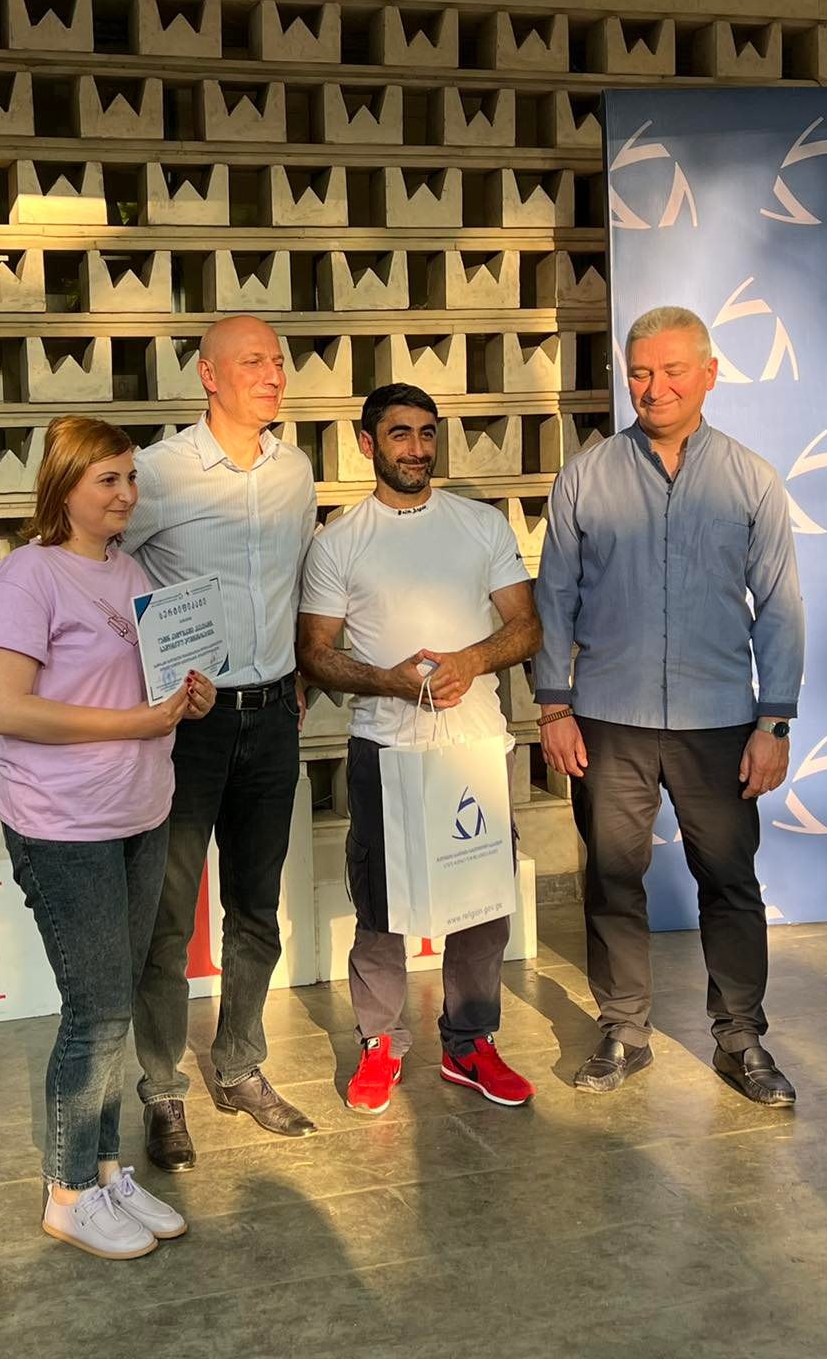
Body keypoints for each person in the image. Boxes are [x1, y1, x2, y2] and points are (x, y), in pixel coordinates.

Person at [534, 306, 804, 1108]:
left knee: (729, 881)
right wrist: (553, 707)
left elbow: (781, 606)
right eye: (641, 372)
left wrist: (774, 721)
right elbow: (554, 598)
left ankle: (741, 1036)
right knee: (613, 879)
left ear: (709, 374)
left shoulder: (751, 479)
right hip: (607, 718)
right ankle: (623, 1028)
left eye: (673, 370)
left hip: (719, 722)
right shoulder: (585, 477)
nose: (655, 388)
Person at [0, 415, 216, 1260]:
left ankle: (108, 1170)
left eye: (130, 478)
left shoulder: (132, 572)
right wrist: (133, 722)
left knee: (117, 1003)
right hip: (62, 823)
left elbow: (148, 686)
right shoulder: (27, 576)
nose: (126, 494)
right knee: (99, 1010)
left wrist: (187, 698)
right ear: (64, 486)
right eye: (107, 480)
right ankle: (69, 1190)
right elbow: (7, 708)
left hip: (139, 814)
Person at [298, 385, 541, 1114]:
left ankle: (470, 1044)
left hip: (474, 745)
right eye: (399, 434)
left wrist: (472, 659)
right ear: (367, 444)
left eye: (427, 433)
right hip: (386, 746)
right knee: (381, 904)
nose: (416, 448)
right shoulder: (338, 541)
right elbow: (315, 652)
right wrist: (388, 682)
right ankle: (380, 1042)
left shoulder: (480, 525)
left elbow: (526, 626)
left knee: (483, 901)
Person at [121, 314, 318, 1172]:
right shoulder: (158, 472)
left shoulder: (295, 471)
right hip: (187, 726)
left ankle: (239, 1066)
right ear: (208, 375)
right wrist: (139, 680)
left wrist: (299, 671)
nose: (273, 375)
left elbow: (298, 580)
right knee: (166, 917)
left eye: (278, 361)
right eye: (253, 362)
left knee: (256, 907)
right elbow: (103, 573)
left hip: (272, 718)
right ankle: (163, 1089)